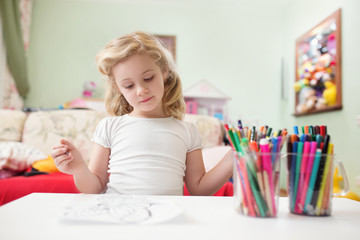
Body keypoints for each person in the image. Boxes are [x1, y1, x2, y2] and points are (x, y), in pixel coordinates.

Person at [51, 31, 232, 196]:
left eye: (148, 78)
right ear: (118, 88)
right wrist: (80, 169)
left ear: (164, 72)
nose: (141, 90)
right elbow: (94, 187)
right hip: (119, 216)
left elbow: (199, 190)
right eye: (129, 86)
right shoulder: (109, 127)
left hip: (166, 219)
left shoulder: (187, 131)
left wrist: (235, 156)